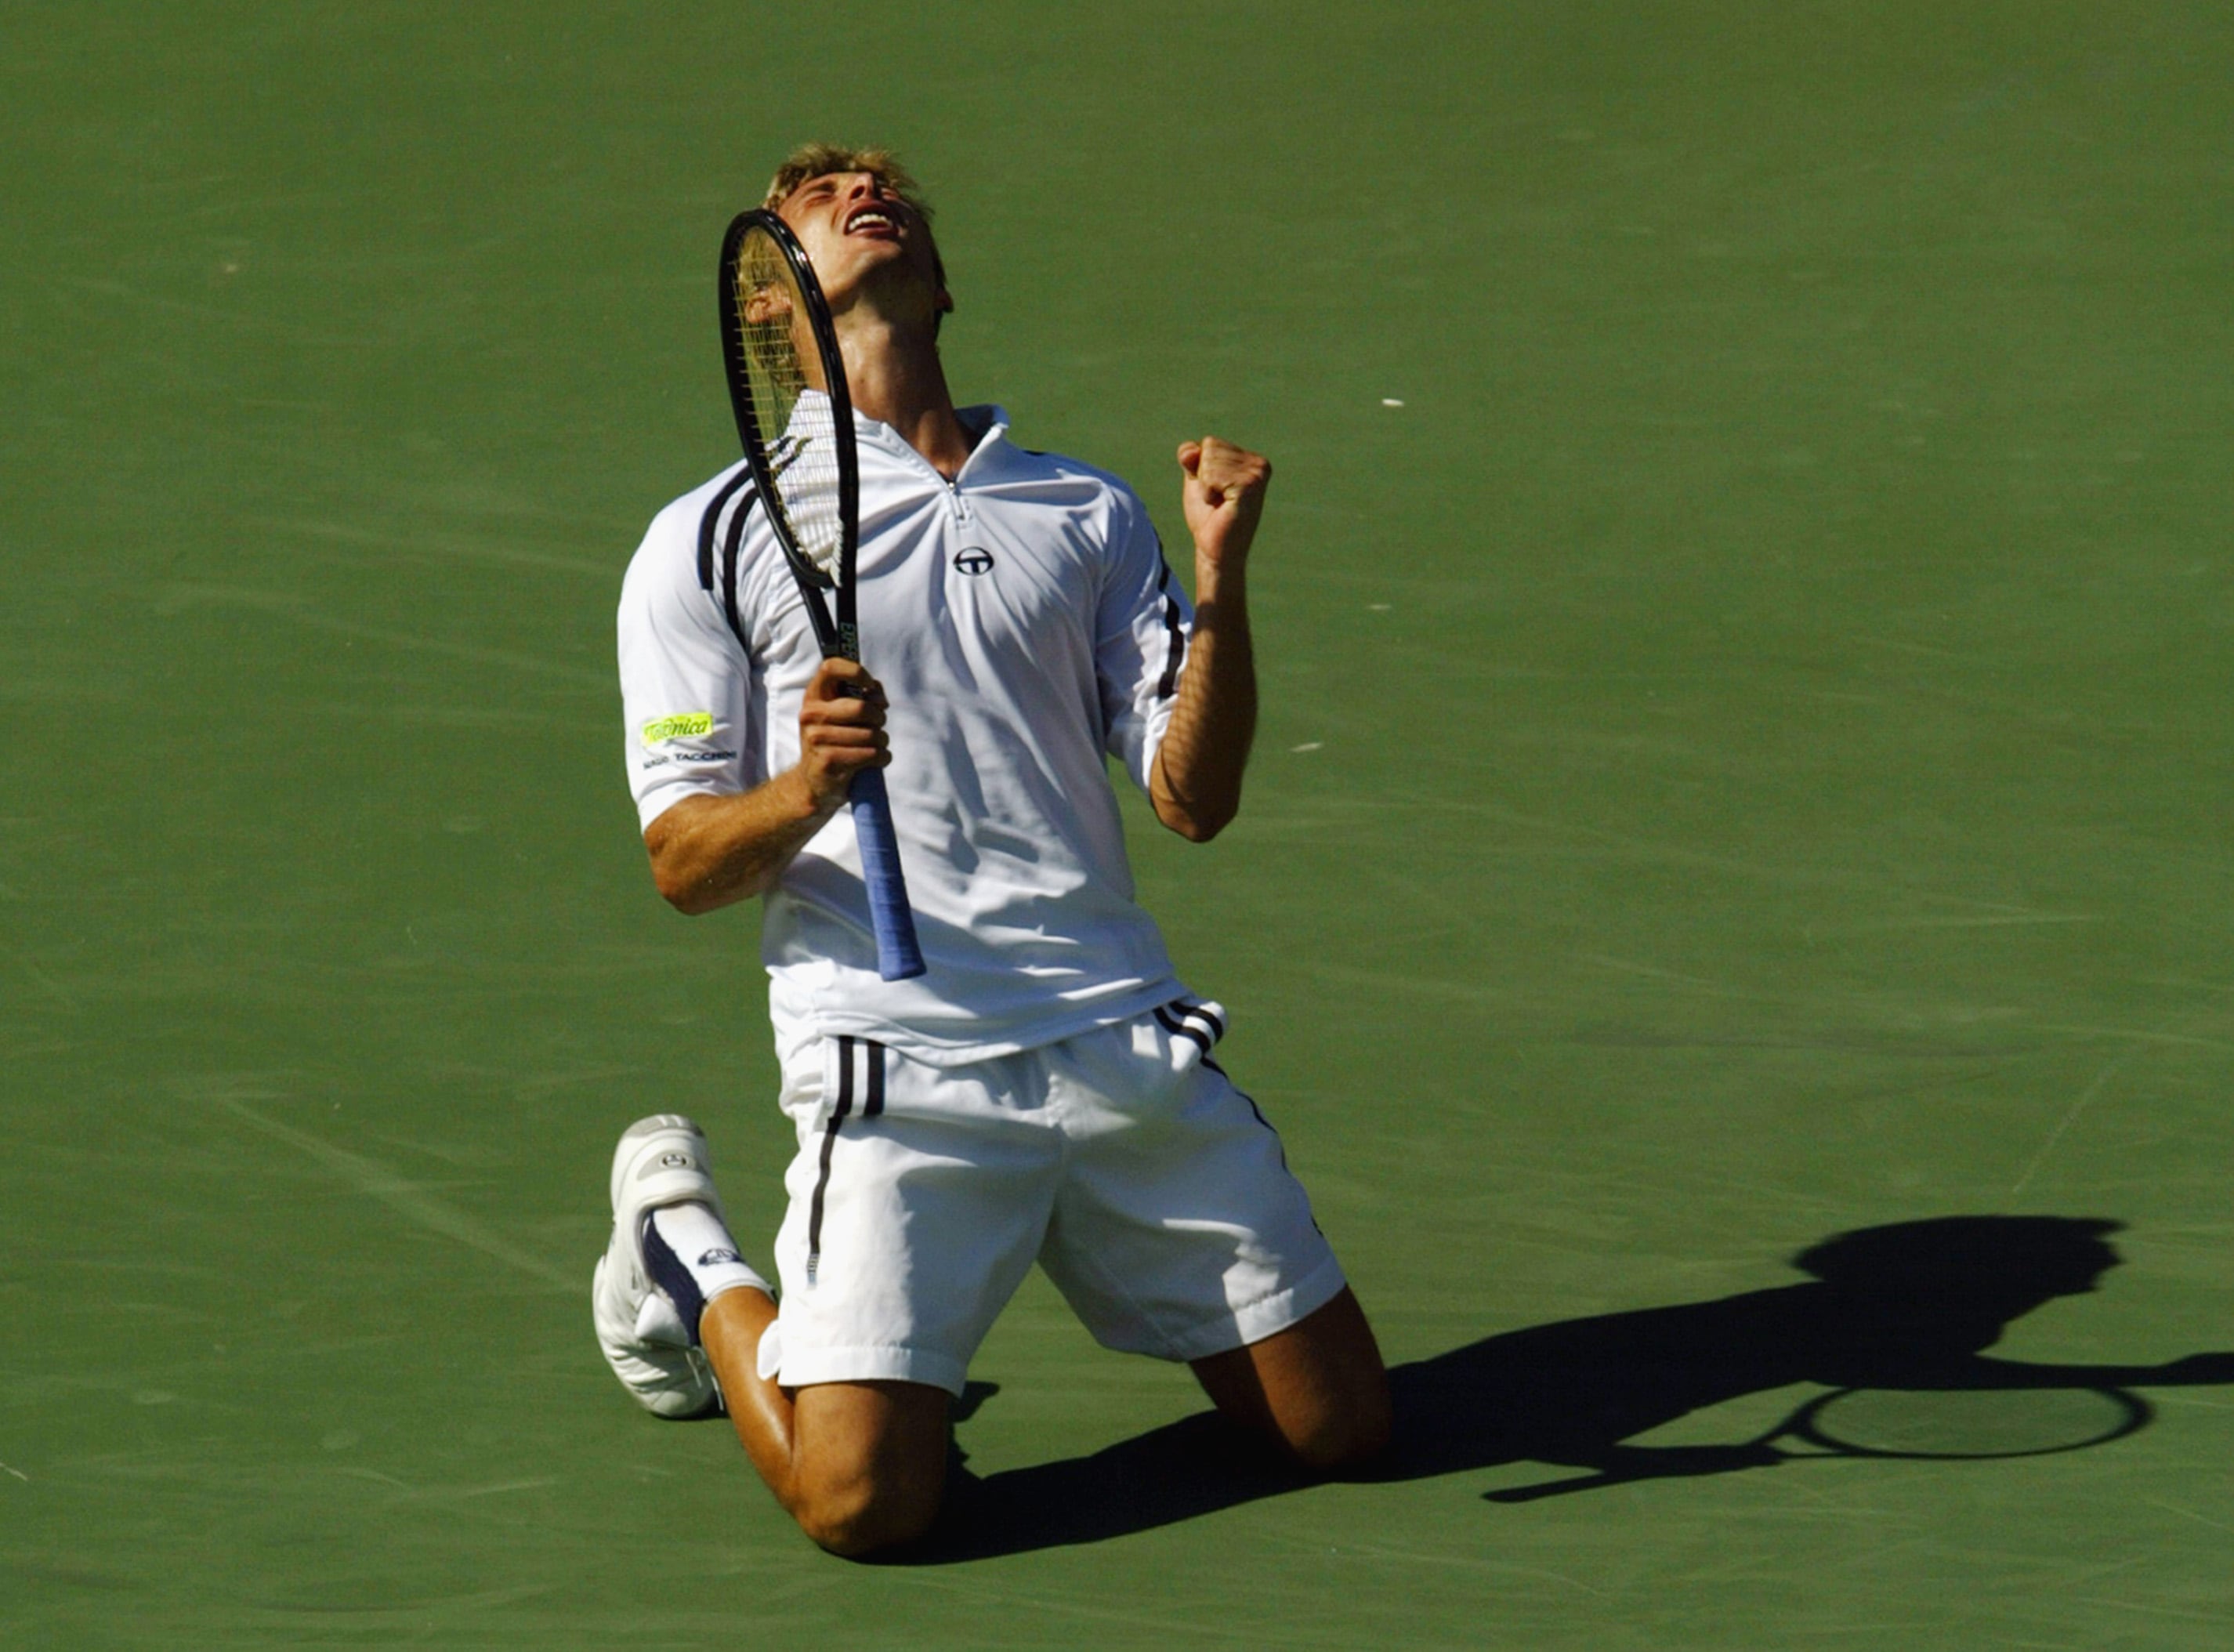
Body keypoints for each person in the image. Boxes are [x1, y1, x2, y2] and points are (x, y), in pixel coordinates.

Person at [596, 142, 1390, 1557]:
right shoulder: (705, 544)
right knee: (864, 1508)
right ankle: (687, 1259)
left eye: (884, 195)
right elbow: (683, 863)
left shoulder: (1085, 510)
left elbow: (1191, 799)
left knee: (1339, 1432)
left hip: (1114, 1033)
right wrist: (803, 790)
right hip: (898, 1057)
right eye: (817, 207)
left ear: (944, 283)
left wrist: (1221, 582)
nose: (862, 202)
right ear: (771, 305)